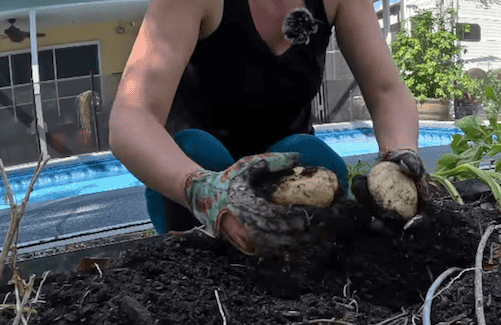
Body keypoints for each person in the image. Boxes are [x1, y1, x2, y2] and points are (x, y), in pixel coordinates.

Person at [109, 0, 426, 255]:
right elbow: (132, 117)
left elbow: (387, 92)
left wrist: (400, 154)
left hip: (284, 181)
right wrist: (202, 188)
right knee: (197, 148)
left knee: (315, 160)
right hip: (195, 182)